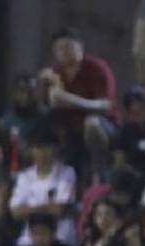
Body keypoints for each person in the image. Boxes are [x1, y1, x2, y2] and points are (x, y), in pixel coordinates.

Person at [37, 28, 117, 175]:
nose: (64, 52)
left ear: (80, 47)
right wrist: (43, 87)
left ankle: (99, 171)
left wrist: (71, 100)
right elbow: (46, 106)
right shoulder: (55, 73)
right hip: (70, 128)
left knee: (91, 124)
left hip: (103, 125)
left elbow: (106, 105)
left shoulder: (97, 68)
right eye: (60, 48)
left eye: (69, 47)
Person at [8, 128, 78, 246]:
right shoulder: (24, 177)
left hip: (61, 239)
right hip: (28, 242)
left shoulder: (67, 172)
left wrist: (30, 209)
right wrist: (46, 207)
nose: (43, 152)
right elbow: (15, 212)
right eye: (38, 148)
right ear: (31, 151)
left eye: (47, 147)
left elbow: (59, 209)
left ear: (55, 149)